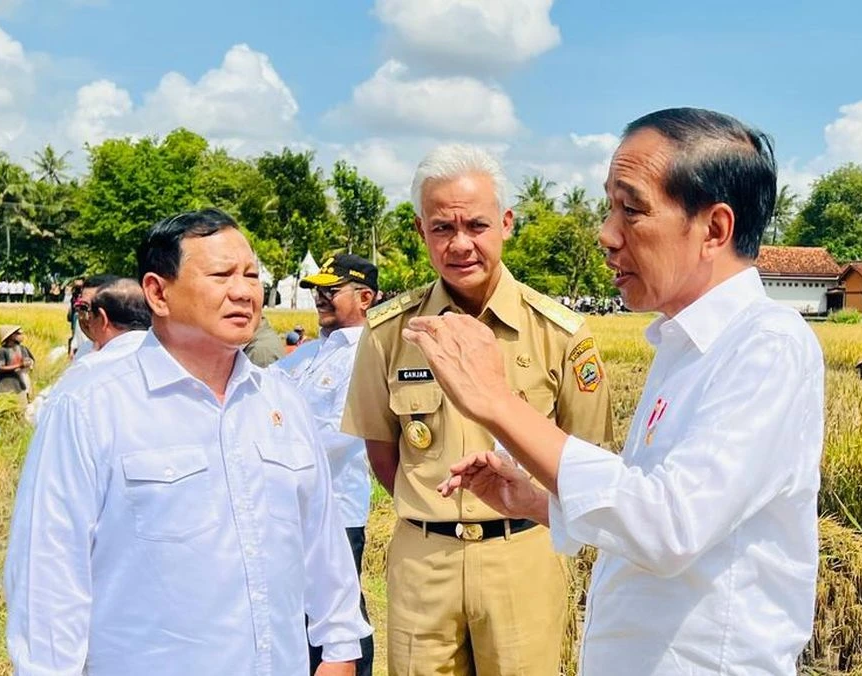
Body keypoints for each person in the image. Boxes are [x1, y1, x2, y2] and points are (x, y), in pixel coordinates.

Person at [404, 108, 825, 675]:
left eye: (632, 209)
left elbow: (669, 528)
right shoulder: (682, 346)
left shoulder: (766, 345)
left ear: (714, 230)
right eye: (610, 206)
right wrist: (534, 500)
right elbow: (642, 506)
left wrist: (498, 403)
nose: (606, 233)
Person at [4, 208, 372, 676]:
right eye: (221, 275)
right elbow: (49, 574)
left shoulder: (281, 401)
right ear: (158, 292)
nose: (243, 291)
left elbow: (322, 539)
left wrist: (339, 647)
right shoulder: (93, 404)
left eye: (252, 275)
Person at [342, 144, 614, 676]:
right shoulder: (389, 333)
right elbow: (383, 454)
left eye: (477, 225)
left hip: (523, 555)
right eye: (442, 228)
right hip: (424, 559)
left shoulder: (559, 334)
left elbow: (586, 459)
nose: (461, 244)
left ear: (506, 224)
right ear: (421, 232)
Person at [274, 253, 379, 676]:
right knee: (298, 613)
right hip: (287, 509)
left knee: (341, 617)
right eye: (317, 289)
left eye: (332, 290)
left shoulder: (369, 356)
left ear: (366, 297)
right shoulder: (304, 355)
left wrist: (274, 449)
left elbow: (342, 432)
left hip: (336, 509)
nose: (320, 298)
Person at [31, 277, 151, 426]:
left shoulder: (91, 366)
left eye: (91, 309)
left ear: (103, 317)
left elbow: (54, 417)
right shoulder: (85, 351)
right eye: (81, 308)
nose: (86, 317)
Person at [0, 326, 35, 403]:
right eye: (18, 333)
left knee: (23, 409)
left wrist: (29, 363)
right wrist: (19, 365)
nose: (21, 336)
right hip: (7, 387)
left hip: (21, 387)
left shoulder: (22, 348)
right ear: (10, 336)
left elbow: (30, 360)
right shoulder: (2, 351)